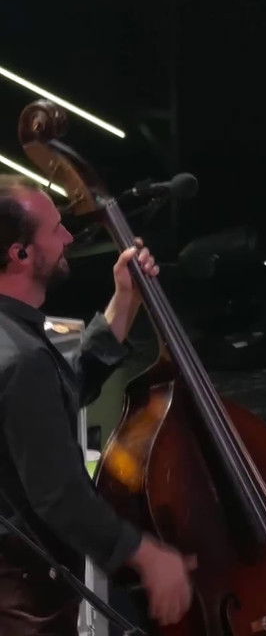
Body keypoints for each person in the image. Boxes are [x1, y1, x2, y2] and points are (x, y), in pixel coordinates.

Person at [0, 177, 194, 635]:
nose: (68, 237)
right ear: (20, 253)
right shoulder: (21, 360)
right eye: (54, 230)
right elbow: (58, 495)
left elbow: (53, 395)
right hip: (20, 593)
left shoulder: (15, 343)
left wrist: (125, 299)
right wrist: (145, 555)